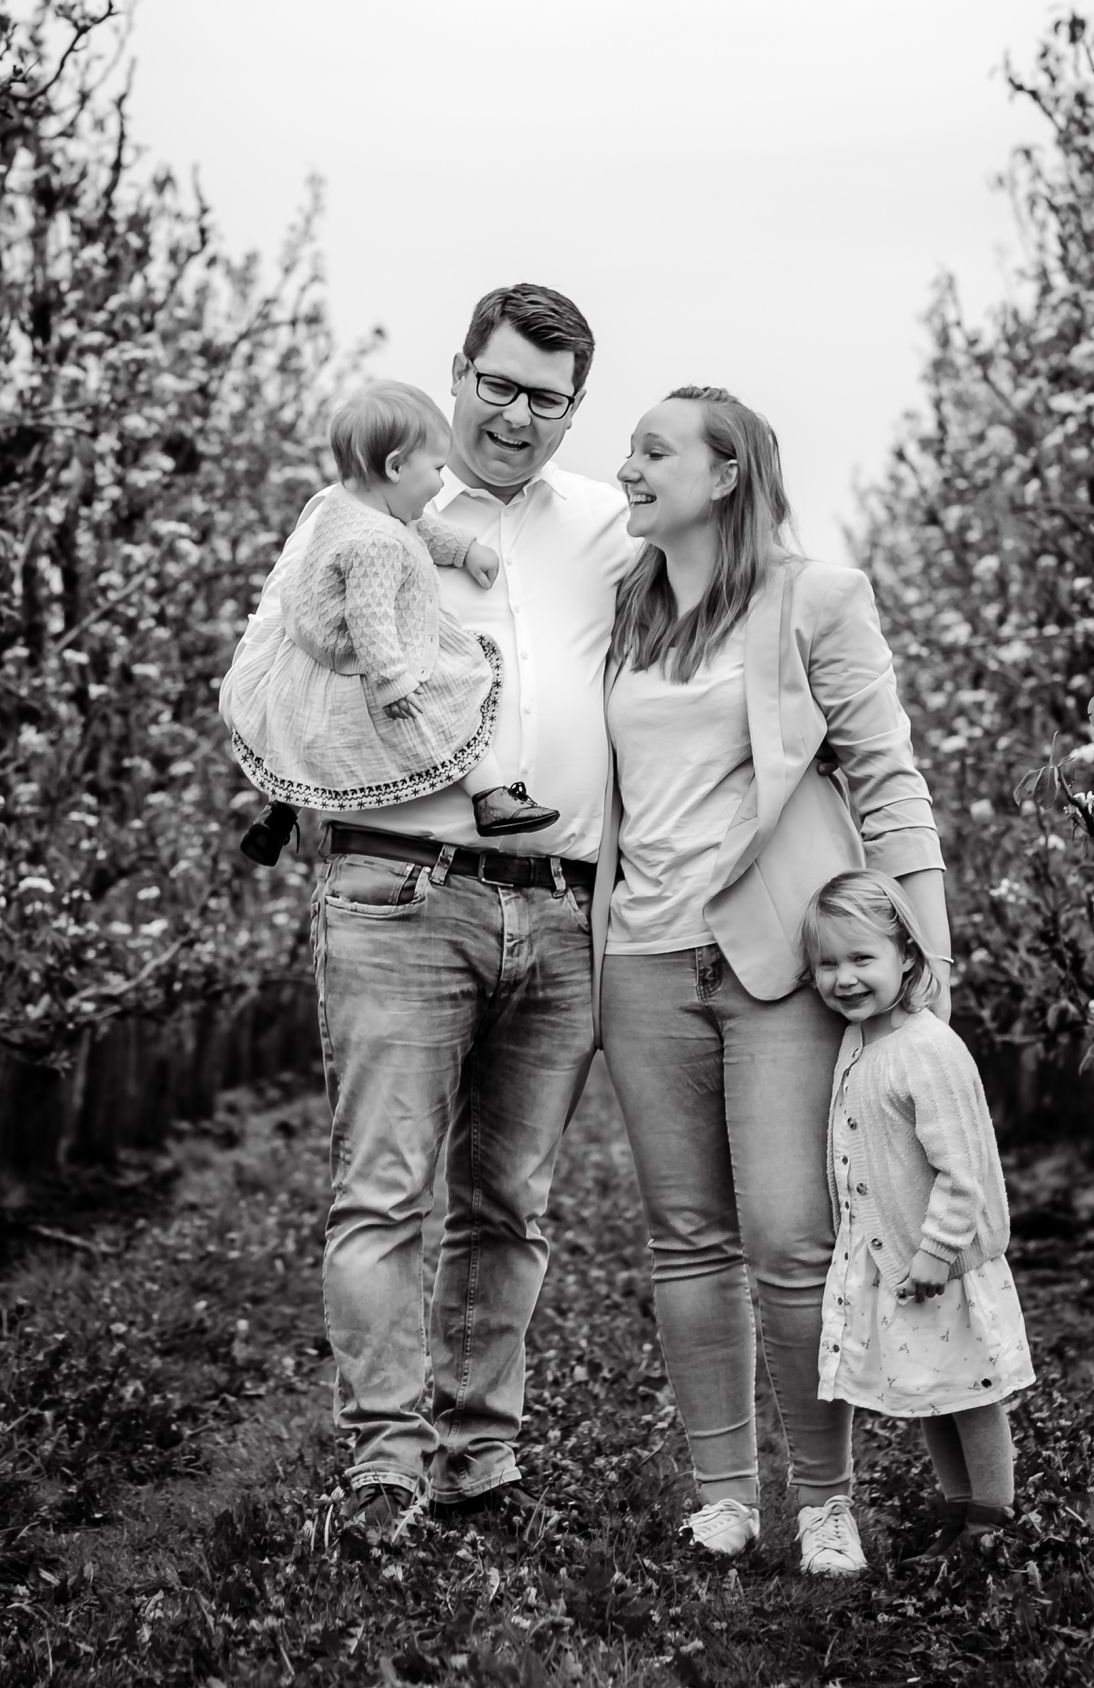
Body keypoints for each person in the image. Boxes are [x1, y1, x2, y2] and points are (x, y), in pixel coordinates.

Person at [225, 285, 634, 1532]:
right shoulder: (363, 511)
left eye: (546, 398)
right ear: (458, 371)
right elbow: (267, 662)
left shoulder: (612, 526)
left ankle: (479, 1453)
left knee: (512, 1202)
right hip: (399, 888)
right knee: (384, 1190)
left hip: (561, 907)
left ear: (574, 409)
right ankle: (385, 1465)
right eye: (498, 384)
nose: (516, 414)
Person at [594, 385, 951, 1578]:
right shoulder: (623, 607)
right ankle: (722, 1497)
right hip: (641, 958)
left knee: (793, 1240)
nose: (627, 466)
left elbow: (888, 782)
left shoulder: (813, 600)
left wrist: (928, 961)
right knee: (685, 1238)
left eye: (652, 450)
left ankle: (827, 1502)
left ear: (727, 471)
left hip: (775, 962)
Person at [801, 869, 1035, 1559]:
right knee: (933, 1389)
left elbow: (963, 1172)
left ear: (907, 954)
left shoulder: (925, 1050)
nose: (843, 978)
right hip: (902, 1263)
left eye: (861, 958)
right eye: (826, 963)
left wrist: (935, 1255)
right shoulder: (862, 1040)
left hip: (942, 1263)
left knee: (970, 1393)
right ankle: (958, 1514)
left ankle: (992, 1521)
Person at [222, 379, 558, 852]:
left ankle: (277, 816)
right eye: (437, 469)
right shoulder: (376, 544)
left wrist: (464, 550)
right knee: (447, 707)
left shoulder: (344, 503)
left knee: (302, 737)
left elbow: (418, 526)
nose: (442, 482)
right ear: (396, 466)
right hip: (365, 657)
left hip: (309, 651)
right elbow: (370, 616)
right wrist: (393, 681)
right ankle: (490, 796)